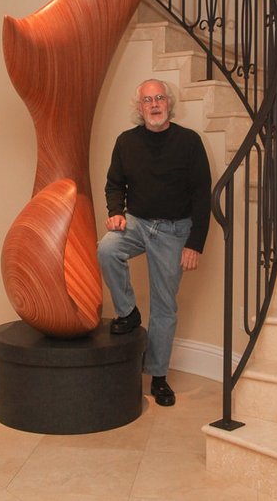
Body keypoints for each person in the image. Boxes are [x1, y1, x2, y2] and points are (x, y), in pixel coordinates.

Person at [97, 78, 212, 406]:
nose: (154, 104)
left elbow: (202, 196)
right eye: (147, 100)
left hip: (175, 231)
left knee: (164, 306)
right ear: (140, 108)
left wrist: (195, 243)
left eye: (159, 98)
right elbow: (114, 185)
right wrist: (116, 212)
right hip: (137, 222)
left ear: (169, 104)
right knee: (106, 248)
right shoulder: (126, 142)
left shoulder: (189, 142)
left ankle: (158, 377)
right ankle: (128, 312)